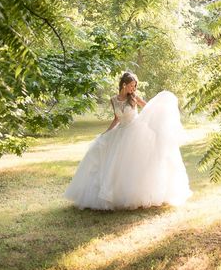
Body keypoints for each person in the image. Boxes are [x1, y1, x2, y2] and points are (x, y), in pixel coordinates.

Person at [64, 71, 192, 210]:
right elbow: (117, 118)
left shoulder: (134, 98)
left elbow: (148, 107)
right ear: (124, 85)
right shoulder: (113, 100)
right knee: (110, 158)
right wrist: (107, 132)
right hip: (121, 131)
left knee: (138, 163)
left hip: (136, 130)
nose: (133, 89)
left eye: (135, 86)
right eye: (131, 86)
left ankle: (143, 193)